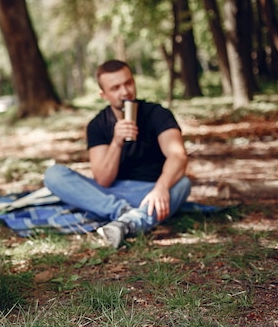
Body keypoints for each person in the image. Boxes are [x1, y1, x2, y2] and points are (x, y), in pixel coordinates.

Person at [44, 59, 191, 248]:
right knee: (54, 175)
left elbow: (178, 155)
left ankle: (126, 222)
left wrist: (161, 188)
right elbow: (103, 180)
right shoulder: (98, 125)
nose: (125, 92)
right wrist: (116, 142)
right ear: (103, 95)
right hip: (109, 193)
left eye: (128, 83)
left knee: (183, 183)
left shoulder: (157, 114)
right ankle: (124, 214)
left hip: (148, 192)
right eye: (115, 88)